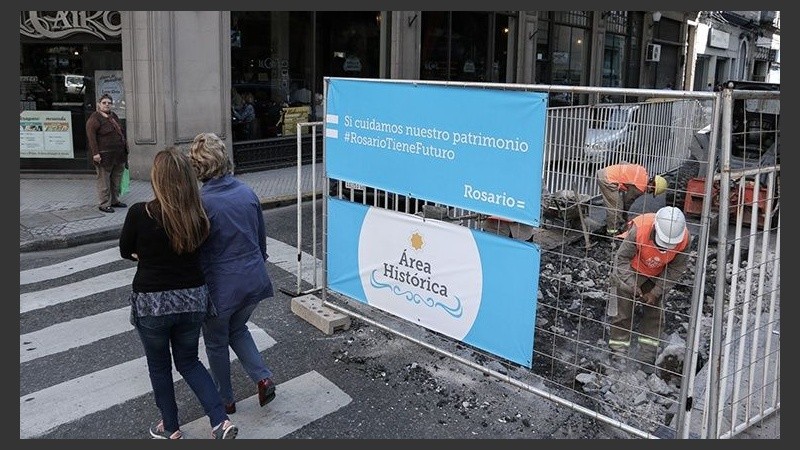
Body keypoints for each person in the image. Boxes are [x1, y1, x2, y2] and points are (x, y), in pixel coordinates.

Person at [119, 147, 239, 440]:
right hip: (192, 298)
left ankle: (170, 427)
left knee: (159, 366)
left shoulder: (140, 213)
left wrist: (145, 255)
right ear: (187, 178)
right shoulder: (198, 216)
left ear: (157, 179)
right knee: (189, 361)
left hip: (153, 302)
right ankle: (220, 421)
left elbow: (126, 250)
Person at [188, 132, 277, 415]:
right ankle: (263, 377)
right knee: (238, 328)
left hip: (221, 286)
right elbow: (260, 239)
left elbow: (196, 250)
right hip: (254, 279)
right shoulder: (246, 192)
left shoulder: (201, 203)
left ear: (199, 167)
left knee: (216, 342)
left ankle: (225, 399)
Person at [607, 206, 691, 374]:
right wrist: (632, 284)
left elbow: (675, 269)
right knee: (622, 312)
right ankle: (618, 351)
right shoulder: (639, 230)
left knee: (654, 316)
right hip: (633, 269)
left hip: (657, 275)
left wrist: (656, 291)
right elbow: (622, 259)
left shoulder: (683, 240)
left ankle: (647, 356)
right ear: (655, 229)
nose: (664, 248)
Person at [596, 163, 667, 235]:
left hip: (607, 173)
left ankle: (611, 223)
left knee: (616, 205)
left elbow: (624, 163)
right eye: (652, 191)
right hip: (607, 179)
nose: (649, 192)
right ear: (652, 185)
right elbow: (627, 202)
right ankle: (612, 233)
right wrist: (624, 218)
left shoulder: (643, 172)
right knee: (616, 207)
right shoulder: (640, 187)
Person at [86, 93, 128, 213]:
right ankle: (104, 204)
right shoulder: (94, 119)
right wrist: (96, 154)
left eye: (109, 103)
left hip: (118, 155)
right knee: (104, 181)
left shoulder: (113, 116)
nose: (107, 105)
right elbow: (91, 138)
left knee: (116, 181)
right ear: (99, 104)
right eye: (104, 103)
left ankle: (114, 201)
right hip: (104, 156)